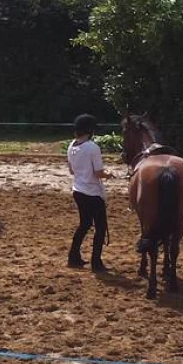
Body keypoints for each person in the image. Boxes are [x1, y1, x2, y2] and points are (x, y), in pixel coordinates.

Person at [67, 114, 111, 273]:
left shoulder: (72, 146)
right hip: (92, 193)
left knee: (85, 224)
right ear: (90, 131)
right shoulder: (92, 147)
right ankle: (96, 261)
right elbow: (98, 173)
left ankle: (73, 256)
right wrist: (109, 175)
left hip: (78, 191)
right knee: (100, 227)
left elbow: (71, 170)